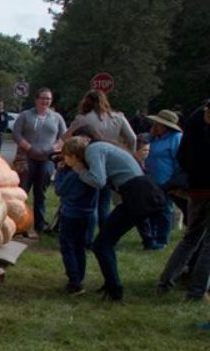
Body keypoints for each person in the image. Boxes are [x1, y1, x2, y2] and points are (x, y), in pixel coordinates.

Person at [62, 136, 166, 301]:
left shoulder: (93, 150)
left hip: (138, 195)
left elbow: (98, 181)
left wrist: (80, 170)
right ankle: (111, 285)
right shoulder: (101, 147)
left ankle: (114, 290)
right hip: (141, 192)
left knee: (102, 244)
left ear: (74, 154)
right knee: (105, 243)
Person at [157, 100, 210, 303]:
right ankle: (196, 292)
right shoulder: (197, 123)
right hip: (203, 187)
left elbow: (182, 157)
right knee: (207, 245)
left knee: (190, 239)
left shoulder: (195, 121)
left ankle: (165, 282)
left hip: (196, 188)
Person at [65, 90, 137, 232]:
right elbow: (133, 138)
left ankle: (88, 235)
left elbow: (66, 136)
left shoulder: (82, 119)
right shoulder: (118, 118)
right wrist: (130, 154)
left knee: (91, 203)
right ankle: (104, 232)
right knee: (104, 203)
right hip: (110, 164)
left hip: (90, 163)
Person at [13, 88, 67, 235]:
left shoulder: (57, 118)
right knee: (22, 191)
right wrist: (28, 147)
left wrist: (53, 148)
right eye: (43, 98)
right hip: (27, 158)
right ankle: (18, 222)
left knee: (40, 193)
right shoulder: (26, 115)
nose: (45, 101)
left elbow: (64, 136)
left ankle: (39, 224)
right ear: (36, 99)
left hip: (47, 160)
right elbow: (16, 133)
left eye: (48, 99)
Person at [53, 153, 100, 295]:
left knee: (68, 247)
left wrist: (60, 172)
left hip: (71, 215)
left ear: (74, 157)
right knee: (80, 247)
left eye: (66, 155)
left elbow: (59, 190)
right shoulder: (92, 174)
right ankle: (79, 278)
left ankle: (74, 282)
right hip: (88, 215)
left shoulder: (74, 175)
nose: (64, 159)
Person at [141, 110, 183, 249]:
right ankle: (152, 236)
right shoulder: (155, 138)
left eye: (158, 124)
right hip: (151, 180)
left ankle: (162, 239)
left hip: (166, 180)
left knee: (165, 209)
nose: (155, 126)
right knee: (152, 208)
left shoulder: (176, 138)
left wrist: (175, 180)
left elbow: (179, 160)